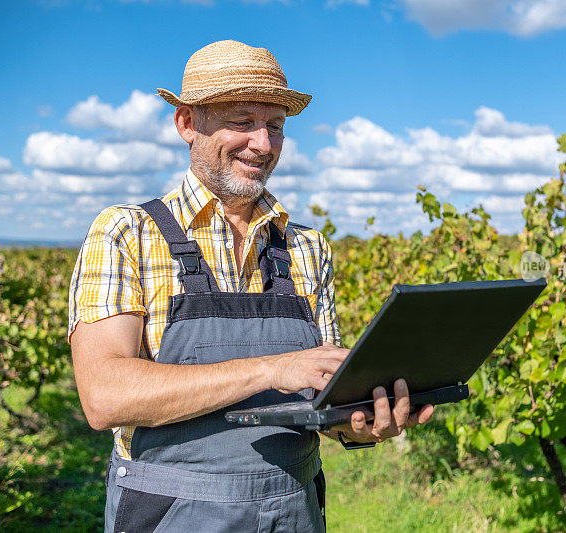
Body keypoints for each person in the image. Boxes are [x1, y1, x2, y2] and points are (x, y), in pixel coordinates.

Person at [68, 40, 434, 532]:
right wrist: (271, 369)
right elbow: (105, 396)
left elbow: (318, 397)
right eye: (242, 122)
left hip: (295, 510)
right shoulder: (126, 233)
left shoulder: (307, 248)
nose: (263, 144)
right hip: (171, 515)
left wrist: (363, 422)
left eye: (276, 125)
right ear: (186, 123)